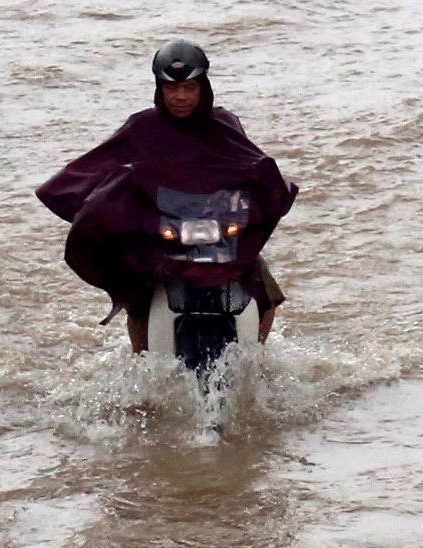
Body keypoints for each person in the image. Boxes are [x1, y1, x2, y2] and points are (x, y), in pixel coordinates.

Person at [36, 39, 296, 354]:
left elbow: (250, 165)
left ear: (203, 87)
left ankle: (256, 360)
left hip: (219, 235)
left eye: (189, 87)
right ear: (160, 89)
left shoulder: (225, 125)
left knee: (266, 295)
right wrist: (109, 201)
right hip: (161, 236)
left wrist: (267, 188)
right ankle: (140, 361)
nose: (181, 97)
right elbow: (98, 169)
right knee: (138, 299)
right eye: (172, 89)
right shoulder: (142, 128)